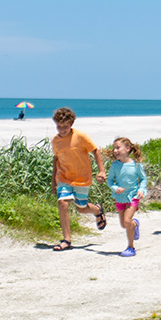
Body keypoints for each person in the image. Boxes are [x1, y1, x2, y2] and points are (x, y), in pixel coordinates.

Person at [49, 106, 106, 251]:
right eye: (59, 126)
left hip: (81, 178)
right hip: (63, 177)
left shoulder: (80, 137)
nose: (62, 130)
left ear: (71, 124)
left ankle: (97, 210)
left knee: (81, 208)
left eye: (65, 127)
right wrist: (53, 182)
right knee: (63, 203)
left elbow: (95, 151)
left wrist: (101, 171)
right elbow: (56, 160)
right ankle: (66, 240)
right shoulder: (55, 141)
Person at [106, 137, 148, 257]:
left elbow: (143, 179)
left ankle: (131, 247)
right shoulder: (115, 165)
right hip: (120, 197)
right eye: (114, 148)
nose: (115, 151)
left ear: (127, 148)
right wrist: (115, 188)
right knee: (124, 224)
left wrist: (141, 189)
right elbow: (110, 181)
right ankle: (134, 224)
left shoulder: (136, 165)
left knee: (126, 220)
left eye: (118, 148)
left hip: (133, 197)